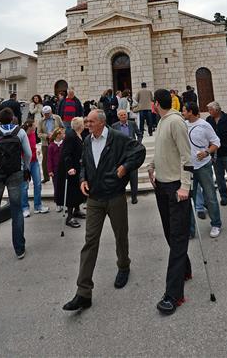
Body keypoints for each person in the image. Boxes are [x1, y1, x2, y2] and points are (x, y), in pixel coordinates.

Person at [62, 109, 146, 312]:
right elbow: (83, 163)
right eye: (86, 122)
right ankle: (83, 292)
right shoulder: (88, 141)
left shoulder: (117, 138)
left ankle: (123, 266)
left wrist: (125, 167)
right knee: (90, 241)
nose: (87, 124)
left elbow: (139, 151)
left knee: (120, 235)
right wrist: (82, 179)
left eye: (90, 121)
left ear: (101, 122)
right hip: (94, 198)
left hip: (115, 195)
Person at [148, 89, 192, 315]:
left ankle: (173, 294)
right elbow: (163, 150)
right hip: (162, 185)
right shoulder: (162, 122)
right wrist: (152, 166)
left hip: (176, 187)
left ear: (156, 104)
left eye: (152, 103)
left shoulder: (176, 122)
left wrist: (185, 186)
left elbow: (187, 156)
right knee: (169, 232)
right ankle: (185, 269)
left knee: (177, 235)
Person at [0, 107, 31, 257]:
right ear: (12, 118)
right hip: (15, 173)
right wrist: (26, 168)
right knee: (16, 211)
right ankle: (19, 248)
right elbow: (28, 153)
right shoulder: (20, 132)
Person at [182, 102, 222, 238]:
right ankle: (190, 230)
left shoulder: (204, 125)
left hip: (203, 166)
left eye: (184, 111)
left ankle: (216, 224)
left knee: (210, 197)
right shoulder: (182, 125)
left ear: (191, 112)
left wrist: (206, 152)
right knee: (188, 200)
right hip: (188, 168)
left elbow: (216, 142)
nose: (182, 113)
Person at [57, 117, 86, 227]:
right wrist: (69, 168)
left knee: (77, 190)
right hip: (70, 169)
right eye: (83, 123)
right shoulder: (71, 136)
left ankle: (77, 210)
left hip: (77, 167)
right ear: (80, 126)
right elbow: (66, 154)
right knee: (71, 192)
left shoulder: (78, 134)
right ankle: (69, 217)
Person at [112, 108, 142, 204]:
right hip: (121, 155)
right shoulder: (114, 126)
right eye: (121, 115)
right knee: (121, 176)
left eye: (125, 114)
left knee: (134, 176)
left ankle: (134, 197)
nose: (123, 116)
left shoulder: (132, 124)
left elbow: (139, 134)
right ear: (118, 117)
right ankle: (121, 196)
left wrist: (138, 144)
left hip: (132, 153)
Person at [21, 120, 49, 218]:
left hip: (34, 161)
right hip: (25, 163)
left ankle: (38, 206)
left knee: (37, 183)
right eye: (34, 125)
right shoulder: (22, 134)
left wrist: (36, 151)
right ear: (30, 126)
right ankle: (25, 207)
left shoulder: (33, 134)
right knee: (24, 186)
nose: (35, 127)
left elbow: (33, 146)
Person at [37, 106, 63, 184]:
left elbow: (62, 127)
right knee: (45, 159)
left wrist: (56, 133)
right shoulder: (41, 121)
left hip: (57, 141)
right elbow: (38, 133)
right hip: (46, 142)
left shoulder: (57, 118)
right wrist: (47, 136)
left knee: (58, 157)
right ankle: (46, 177)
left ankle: (59, 174)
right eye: (45, 114)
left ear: (51, 112)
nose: (46, 115)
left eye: (48, 114)